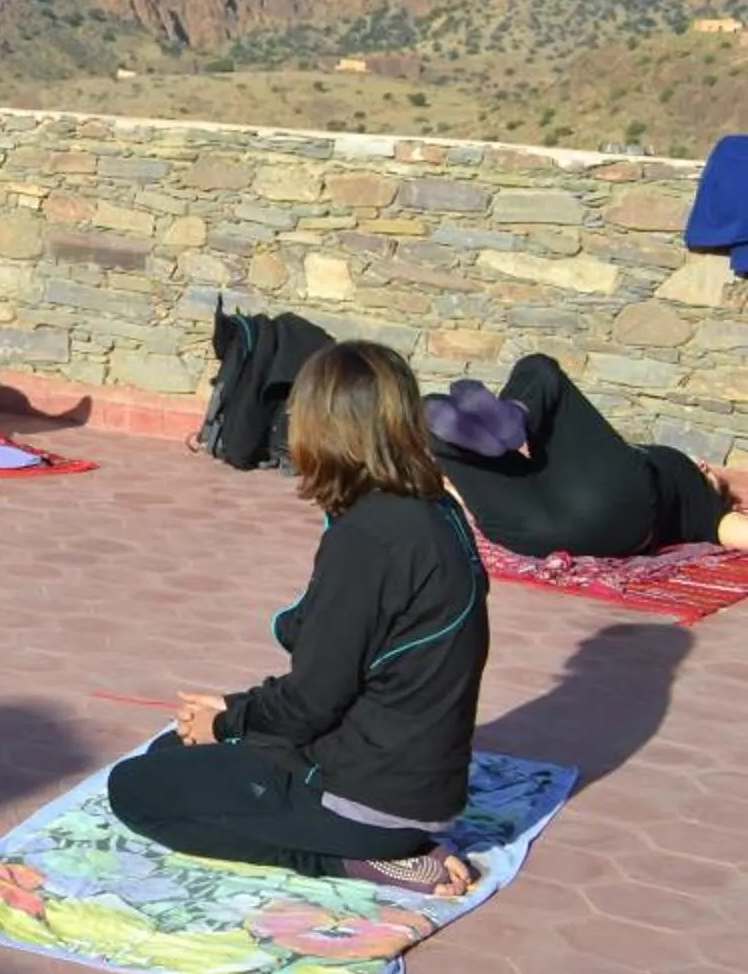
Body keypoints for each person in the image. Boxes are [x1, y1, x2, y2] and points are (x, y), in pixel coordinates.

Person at [106, 341, 487, 898]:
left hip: (372, 799)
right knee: (174, 749)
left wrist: (230, 724)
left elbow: (314, 700)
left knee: (135, 789)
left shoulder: (370, 540)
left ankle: (358, 860)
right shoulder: (433, 509)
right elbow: (350, 669)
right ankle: (380, 843)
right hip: (416, 778)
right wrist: (232, 710)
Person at [428, 356, 748, 557]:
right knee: (432, 413)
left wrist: (710, 488)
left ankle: (514, 415)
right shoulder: (692, 503)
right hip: (535, 531)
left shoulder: (706, 506)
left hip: (607, 506)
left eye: (714, 476)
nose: (706, 466)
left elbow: (737, 532)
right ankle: (490, 426)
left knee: (539, 370)